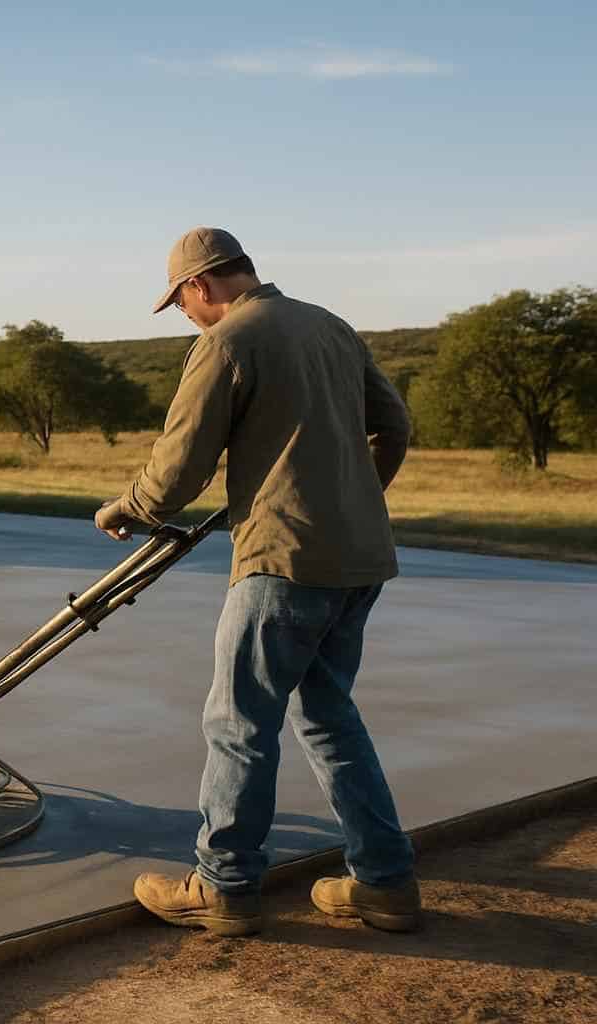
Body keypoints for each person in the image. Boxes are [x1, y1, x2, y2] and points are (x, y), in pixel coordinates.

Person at [94, 227, 420, 937]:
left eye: (182, 302)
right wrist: (352, 500)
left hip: (283, 563)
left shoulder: (226, 342)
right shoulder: (331, 327)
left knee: (238, 722)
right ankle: (385, 883)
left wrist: (129, 509)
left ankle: (225, 888)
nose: (187, 314)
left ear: (200, 284)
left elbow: (180, 468)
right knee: (329, 716)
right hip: (361, 559)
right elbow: (393, 426)